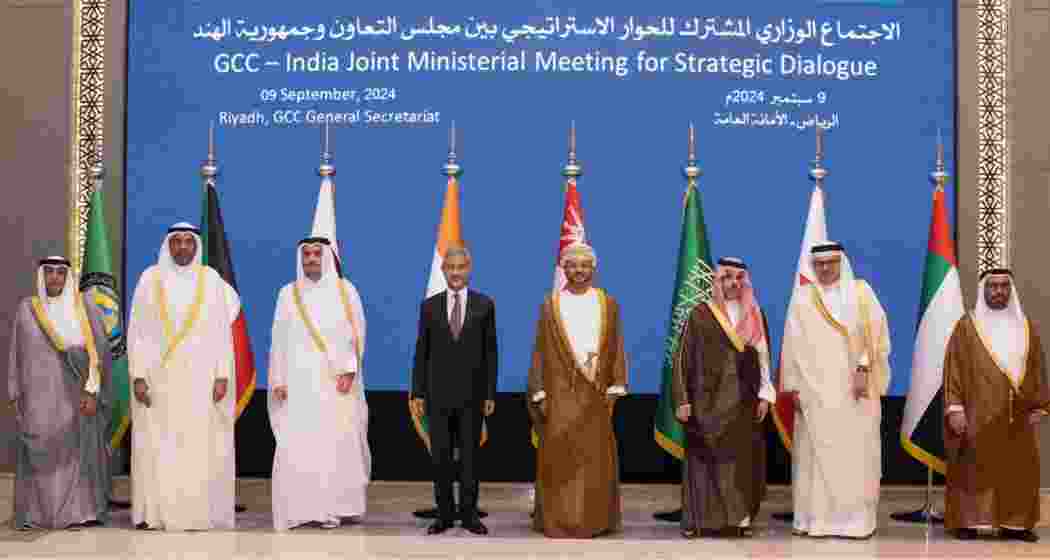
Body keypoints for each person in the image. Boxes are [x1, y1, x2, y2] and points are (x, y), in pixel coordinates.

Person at [127, 223, 237, 531]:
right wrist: (137, 376)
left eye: (189, 241)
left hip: (201, 379)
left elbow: (220, 332)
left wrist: (222, 375)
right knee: (159, 446)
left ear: (197, 246)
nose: (183, 247)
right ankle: (156, 513)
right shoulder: (150, 279)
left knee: (198, 447)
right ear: (168, 246)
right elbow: (138, 332)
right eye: (177, 241)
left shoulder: (211, 280)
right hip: (158, 380)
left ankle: (198, 513)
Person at [781, 241, 890, 539]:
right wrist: (793, 387)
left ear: (841, 263)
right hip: (814, 393)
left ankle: (855, 523)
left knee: (856, 456)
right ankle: (816, 521)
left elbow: (877, 334)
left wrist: (864, 368)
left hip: (855, 391)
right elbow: (792, 344)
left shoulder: (861, 293)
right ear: (813, 266)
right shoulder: (802, 297)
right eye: (820, 264)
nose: (826, 268)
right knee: (815, 459)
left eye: (831, 262)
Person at [268, 237, 370, 530]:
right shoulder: (287, 294)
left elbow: (357, 332)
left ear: (326, 257)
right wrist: (278, 378)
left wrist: (349, 370)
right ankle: (301, 508)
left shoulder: (345, 291)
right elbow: (279, 339)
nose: (311, 259)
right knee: (300, 446)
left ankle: (334, 509)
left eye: (316, 254)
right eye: (307, 254)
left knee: (334, 445)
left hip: (334, 383)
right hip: (298, 384)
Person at [527, 243, 627, 538]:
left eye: (585, 265)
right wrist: (539, 391)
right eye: (573, 265)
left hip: (596, 394)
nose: (579, 270)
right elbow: (540, 351)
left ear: (593, 268)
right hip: (559, 394)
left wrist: (617, 384)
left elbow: (617, 345)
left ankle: (594, 520)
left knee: (594, 459)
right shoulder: (550, 305)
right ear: (564, 268)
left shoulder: (608, 304)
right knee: (559, 457)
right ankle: (559, 521)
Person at [943, 268, 1048, 542]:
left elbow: (1037, 369)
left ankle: (1017, 525)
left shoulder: (1026, 327)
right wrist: (955, 408)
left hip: (1017, 416)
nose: (999, 291)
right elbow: (953, 369)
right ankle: (969, 522)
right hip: (977, 413)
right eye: (993, 286)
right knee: (973, 467)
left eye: (1004, 286)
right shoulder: (966, 327)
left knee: (1018, 469)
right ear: (983, 290)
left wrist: (1040, 406)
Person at [672, 257, 774, 538]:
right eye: (727, 278)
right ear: (717, 281)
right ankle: (698, 521)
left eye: (739, 278)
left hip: (743, 402)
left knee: (739, 463)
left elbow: (763, 357)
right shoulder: (699, 314)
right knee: (702, 463)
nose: (733, 284)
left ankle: (738, 520)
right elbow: (682, 359)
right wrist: (682, 399)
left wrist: (765, 395)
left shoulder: (754, 313)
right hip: (705, 403)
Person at [8, 256, 112, 529]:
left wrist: (92, 391)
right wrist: (15, 390)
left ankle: (79, 513)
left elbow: (97, 354)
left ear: (68, 277)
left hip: (74, 397)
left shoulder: (84, 306)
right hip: (37, 401)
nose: (55, 277)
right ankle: (36, 514)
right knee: (38, 456)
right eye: (50, 272)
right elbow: (15, 355)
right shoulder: (27, 309)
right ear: (42, 275)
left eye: (60, 272)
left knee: (76, 457)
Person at [410, 245, 497, 535]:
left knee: (471, 459)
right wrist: (418, 392)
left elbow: (490, 353)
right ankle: (444, 515)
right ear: (444, 271)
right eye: (451, 268)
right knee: (441, 459)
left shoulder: (485, 305)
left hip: (473, 397)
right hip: (437, 396)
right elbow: (421, 352)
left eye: (461, 268)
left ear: (469, 270)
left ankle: (470, 515)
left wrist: (489, 394)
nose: (456, 273)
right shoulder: (429, 306)